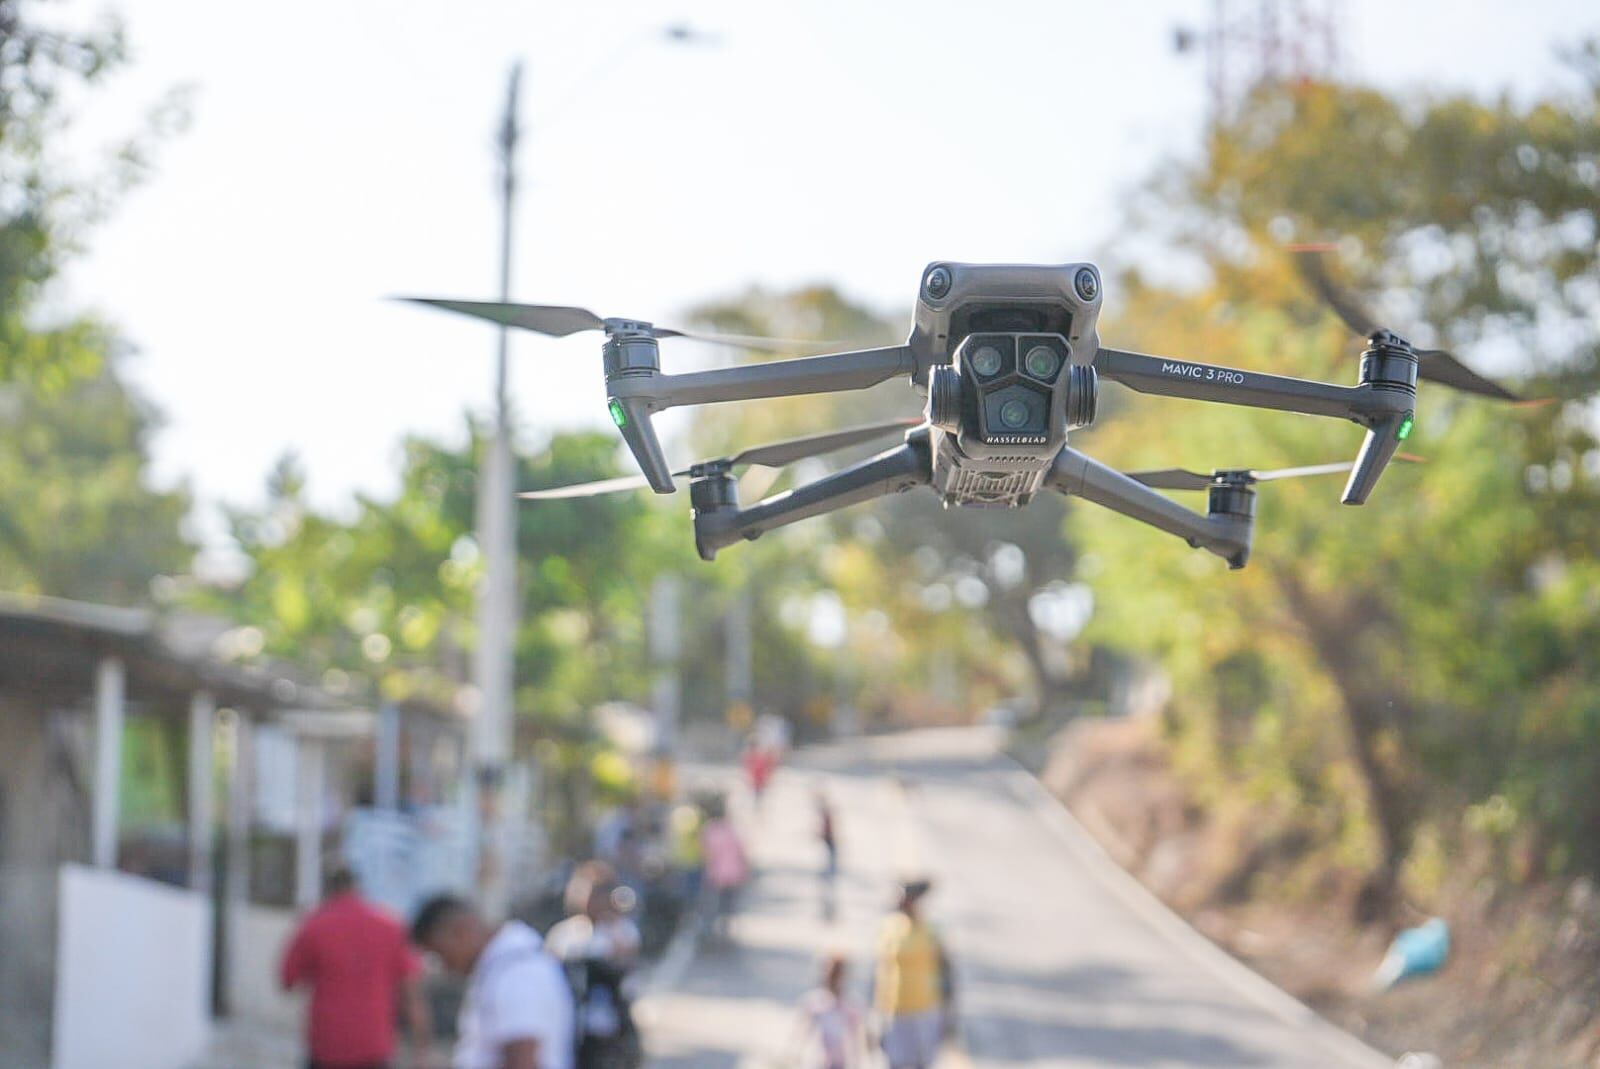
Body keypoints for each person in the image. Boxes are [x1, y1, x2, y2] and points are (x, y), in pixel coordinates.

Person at [280, 866, 432, 1069]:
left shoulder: (313, 925)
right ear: (358, 888)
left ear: (328, 890)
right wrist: (421, 1050)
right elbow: (412, 993)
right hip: (374, 1044)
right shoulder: (389, 925)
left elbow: (287, 980)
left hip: (327, 1045)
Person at [411, 895, 575, 1069]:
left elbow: (523, 1061)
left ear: (460, 930)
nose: (445, 968)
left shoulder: (517, 971)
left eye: (441, 955)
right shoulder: (498, 967)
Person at [544, 862, 642, 1069]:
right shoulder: (564, 934)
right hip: (570, 1021)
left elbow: (627, 967)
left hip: (607, 1024)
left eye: (596, 895)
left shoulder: (621, 931)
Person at [871, 879, 954, 1069]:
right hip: (894, 1010)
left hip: (924, 1011)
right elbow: (879, 972)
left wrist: (949, 1014)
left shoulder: (931, 930)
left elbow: (946, 972)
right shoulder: (889, 927)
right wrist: (875, 1013)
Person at [788, 952, 866, 1069]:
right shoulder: (814, 1001)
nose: (833, 979)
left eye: (837, 974)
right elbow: (801, 1032)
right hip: (816, 1062)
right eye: (830, 974)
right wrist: (794, 1055)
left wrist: (857, 1063)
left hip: (841, 1063)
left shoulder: (851, 1005)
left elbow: (856, 1039)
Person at [699, 796, 748, 939]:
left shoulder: (709, 830)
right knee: (727, 903)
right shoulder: (732, 831)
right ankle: (724, 928)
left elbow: (706, 853)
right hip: (733, 873)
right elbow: (741, 852)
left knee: (712, 903)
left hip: (716, 874)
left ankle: (710, 929)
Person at [816, 792, 839, 922]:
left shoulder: (826, 816)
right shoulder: (826, 815)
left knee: (827, 885)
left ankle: (829, 912)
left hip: (828, 849)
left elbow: (827, 833)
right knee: (826, 885)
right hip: (828, 848)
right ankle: (827, 911)